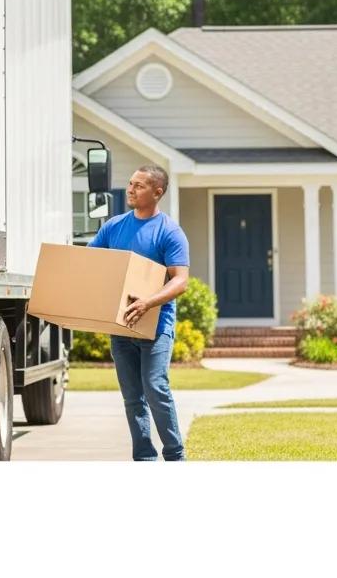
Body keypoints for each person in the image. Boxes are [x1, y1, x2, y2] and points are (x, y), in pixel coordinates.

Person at [89, 164, 190, 461]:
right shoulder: (113, 226)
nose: (131, 190)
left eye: (139, 186)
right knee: (133, 398)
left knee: (156, 388)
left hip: (156, 326)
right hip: (121, 326)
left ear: (157, 193)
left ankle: (175, 455)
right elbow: (90, 261)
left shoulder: (169, 232)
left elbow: (181, 280)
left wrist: (148, 302)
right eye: (131, 184)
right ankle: (144, 458)